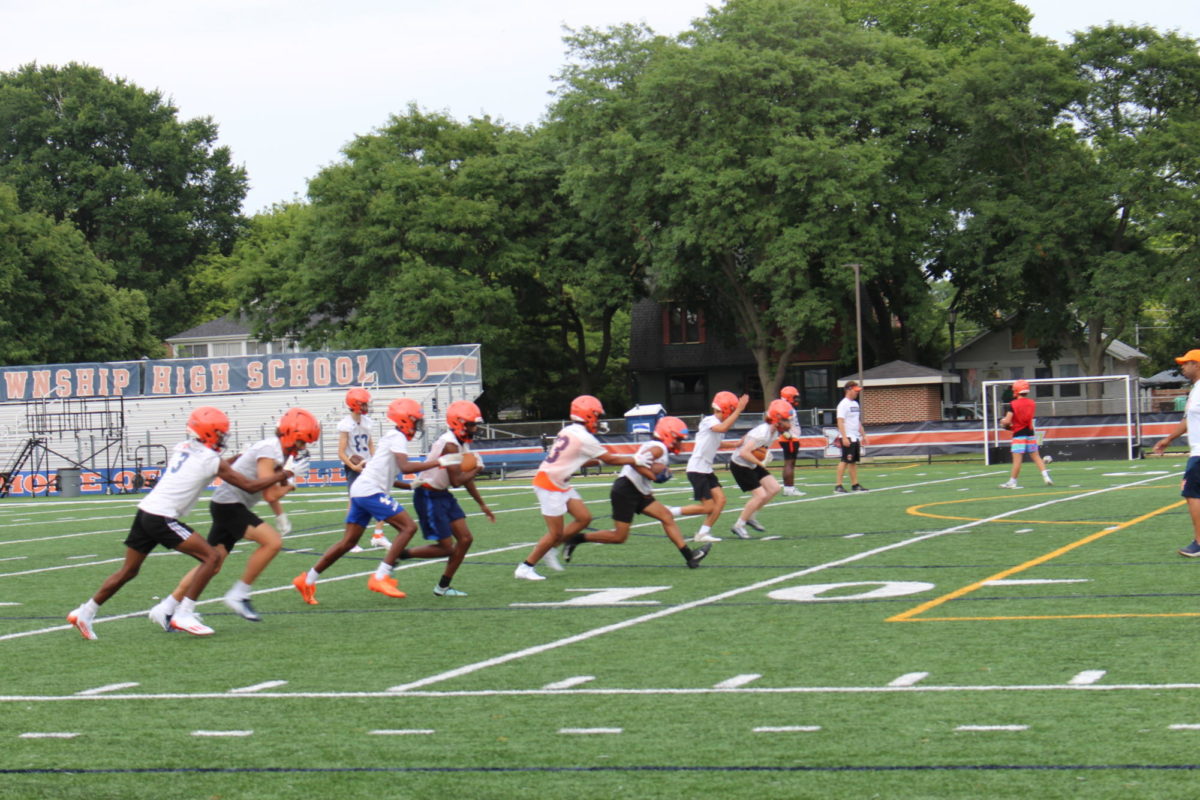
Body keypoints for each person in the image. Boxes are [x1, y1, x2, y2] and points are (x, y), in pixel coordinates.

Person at [66, 407, 292, 640]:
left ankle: (85, 612)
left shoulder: (184, 447)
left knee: (128, 571)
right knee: (212, 558)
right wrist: (283, 474)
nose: (223, 437)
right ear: (210, 433)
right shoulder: (210, 459)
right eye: (220, 433)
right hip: (161, 517)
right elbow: (250, 486)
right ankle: (184, 613)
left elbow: (216, 466)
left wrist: (237, 458)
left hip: (146, 511)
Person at [147, 408, 321, 630]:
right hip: (229, 505)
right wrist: (292, 481)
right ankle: (239, 594)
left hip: (227, 504)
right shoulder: (271, 450)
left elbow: (272, 487)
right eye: (301, 442)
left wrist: (281, 513)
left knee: (213, 564)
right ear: (289, 434)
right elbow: (270, 492)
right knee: (272, 542)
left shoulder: (278, 451)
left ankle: (166, 607)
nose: (303, 447)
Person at [292, 398, 460, 605]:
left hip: (362, 490)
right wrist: (440, 461)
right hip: (369, 491)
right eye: (415, 421)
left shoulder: (394, 438)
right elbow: (405, 467)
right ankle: (380, 576)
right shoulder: (397, 436)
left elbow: (389, 476)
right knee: (408, 528)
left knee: (348, 542)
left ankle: (307, 579)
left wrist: (414, 485)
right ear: (405, 420)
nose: (417, 426)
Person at [514, 394, 650, 581]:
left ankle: (551, 548)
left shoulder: (568, 430)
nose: (599, 420)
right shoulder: (585, 438)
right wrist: (635, 458)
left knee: (584, 518)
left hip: (558, 481)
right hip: (549, 484)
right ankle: (526, 566)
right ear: (588, 415)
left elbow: (575, 459)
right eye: (597, 416)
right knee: (555, 533)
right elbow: (610, 458)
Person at [371, 400, 494, 597]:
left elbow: (463, 479)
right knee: (446, 548)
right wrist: (478, 468)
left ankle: (443, 587)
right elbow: (457, 480)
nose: (475, 428)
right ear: (458, 423)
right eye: (471, 424)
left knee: (465, 539)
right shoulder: (450, 444)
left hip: (442, 494)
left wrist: (482, 504)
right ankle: (399, 554)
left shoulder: (458, 443)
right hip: (428, 494)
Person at [561, 416, 712, 568]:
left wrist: (650, 485)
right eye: (678, 439)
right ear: (668, 435)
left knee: (666, 517)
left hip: (638, 491)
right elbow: (635, 463)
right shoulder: (658, 448)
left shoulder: (658, 446)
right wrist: (653, 475)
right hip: (626, 490)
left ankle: (690, 557)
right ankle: (577, 538)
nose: (679, 443)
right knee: (619, 537)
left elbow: (641, 466)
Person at [677, 390, 750, 543]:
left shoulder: (717, 423)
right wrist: (739, 410)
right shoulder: (709, 421)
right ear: (727, 408)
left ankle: (703, 533)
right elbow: (721, 429)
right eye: (732, 409)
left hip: (706, 469)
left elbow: (717, 442)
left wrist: (735, 444)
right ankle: (670, 512)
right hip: (697, 469)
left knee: (721, 501)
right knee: (708, 507)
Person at [1154, 349, 1200, 557]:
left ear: (1197, 365)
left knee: (1192, 493)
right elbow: (1187, 421)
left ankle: (1199, 543)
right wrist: (1168, 439)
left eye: (1186, 363)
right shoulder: (1195, 390)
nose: (1182, 366)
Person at [728, 399, 793, 539]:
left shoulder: (773, 431)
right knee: (760, 495)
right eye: (786, 420)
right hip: (740, 465)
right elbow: (743, 452)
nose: (788, 424)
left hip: (751, 462)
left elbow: (751, 438)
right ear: (776, 419)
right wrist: (761, 462)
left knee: (774, 488)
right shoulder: (763, 433)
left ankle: (750, 516)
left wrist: (742, 440)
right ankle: (739, 525)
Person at [338, 387, 389, 550]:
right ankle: (349, 540)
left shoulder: (367, 422)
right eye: (364, 404)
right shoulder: (346, 425)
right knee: (353, 502)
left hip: (368, 464)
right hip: (354, 467)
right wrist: (354, 466)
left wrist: (376, 461)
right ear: (355, 404)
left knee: (381, 495)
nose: (367, 407)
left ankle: (378, 535)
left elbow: (370, 444)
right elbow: (340, 452)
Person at [998, 379, 1053, 489]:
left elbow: (1008, 421)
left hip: (1019, 434)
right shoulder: (1031, 402)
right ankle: (1046, 477)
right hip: (1030, 432)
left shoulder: (1013, 404)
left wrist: (1003, 423)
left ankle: (1012, 481)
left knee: (1017, 460)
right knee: (1036, 457)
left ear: (1016, 390)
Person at [834, 380, 869, 493]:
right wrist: (844, 437)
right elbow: (840, 421)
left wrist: (863, 434)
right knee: (845, 460)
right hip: (847, 436)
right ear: (849, 390)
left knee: (852, 461)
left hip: (855, 436)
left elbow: (857, 421)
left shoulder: (855, 404)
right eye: (855, 391)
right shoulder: (843, 404)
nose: (857, 393)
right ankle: (838, 485)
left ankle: (855, 484)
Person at [778, 385, 806, 496]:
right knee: (790, 463)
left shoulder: (783, 405)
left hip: (789, 438)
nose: (796, 399)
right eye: (794, 397)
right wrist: (786, 434)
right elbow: (779, 422)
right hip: (790, 439)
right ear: (789, 396)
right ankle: (789, 489)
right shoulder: (786, 407)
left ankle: (788, 488)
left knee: (788, 463)